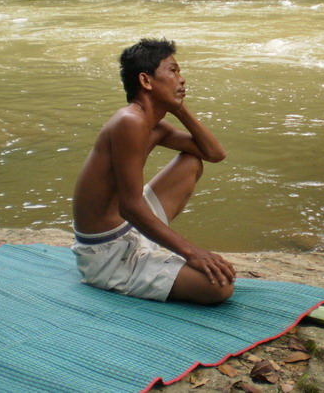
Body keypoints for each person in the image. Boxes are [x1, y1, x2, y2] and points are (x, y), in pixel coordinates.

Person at [71, 38, 236, 305]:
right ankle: (141, 261)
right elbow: (130, 206)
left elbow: (215, 154)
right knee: (220, 288)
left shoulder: (154, 125)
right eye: (173, 71)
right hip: (109, 254)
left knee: (191, 162)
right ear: (146, 81)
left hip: (129, 229)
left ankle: (152, 251)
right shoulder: (130, 121)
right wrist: (193, 253)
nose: (181, 79)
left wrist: (179, 109)